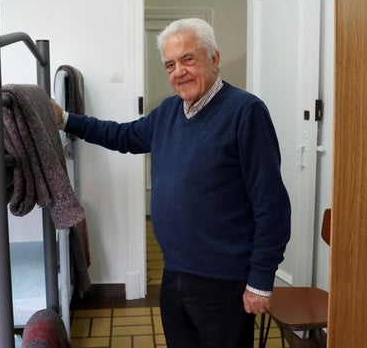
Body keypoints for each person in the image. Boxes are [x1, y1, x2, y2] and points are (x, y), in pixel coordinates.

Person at [51, 18, 290, 348]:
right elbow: (122, 135)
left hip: (224, 281)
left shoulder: (245, 112)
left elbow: (272, 205)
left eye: (188, 59)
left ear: (214, 58)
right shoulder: (168, 112)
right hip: (175, 274)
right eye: (170, 64)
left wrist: (261, 280)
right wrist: (65, 119)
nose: (179, 71)